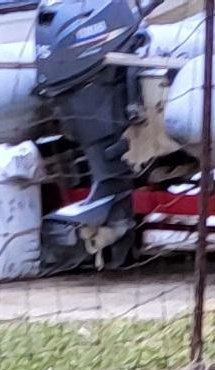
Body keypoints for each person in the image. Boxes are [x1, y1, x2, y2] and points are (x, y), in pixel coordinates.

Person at [32, 0, 151, 231]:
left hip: (96, 75)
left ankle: (111, 198)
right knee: (96, 123)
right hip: (88, 76)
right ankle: (111, 197)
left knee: (99, 127)